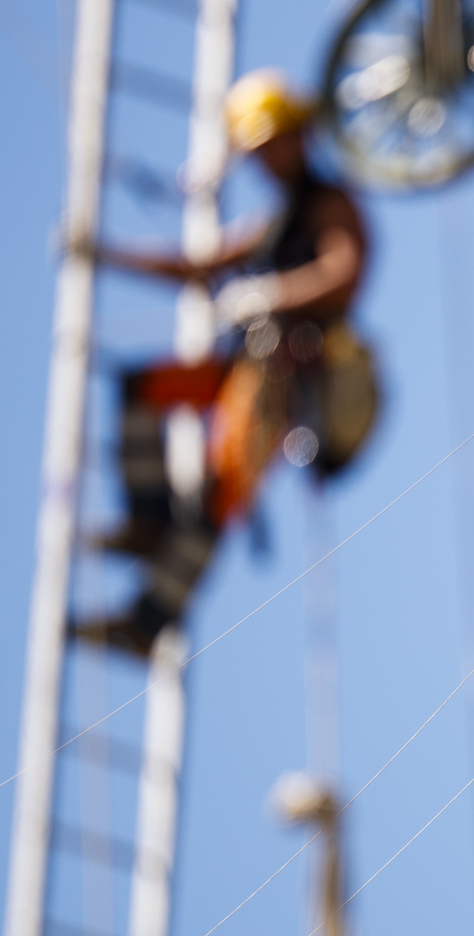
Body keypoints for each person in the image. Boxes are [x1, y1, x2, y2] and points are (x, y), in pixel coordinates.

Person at [74, 69, 379, 656]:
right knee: (143, 389)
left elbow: (342, 272)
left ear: (297, 136)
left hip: (288, 378)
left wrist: (270, 294)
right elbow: (200, 268)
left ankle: (146, 623)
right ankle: (148, 522)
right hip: (248, 366)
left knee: (218, 492)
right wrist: (104, 255)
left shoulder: (330, 204)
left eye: (272, 145)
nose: (266, 161)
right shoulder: (276, 223)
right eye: (257, 151)